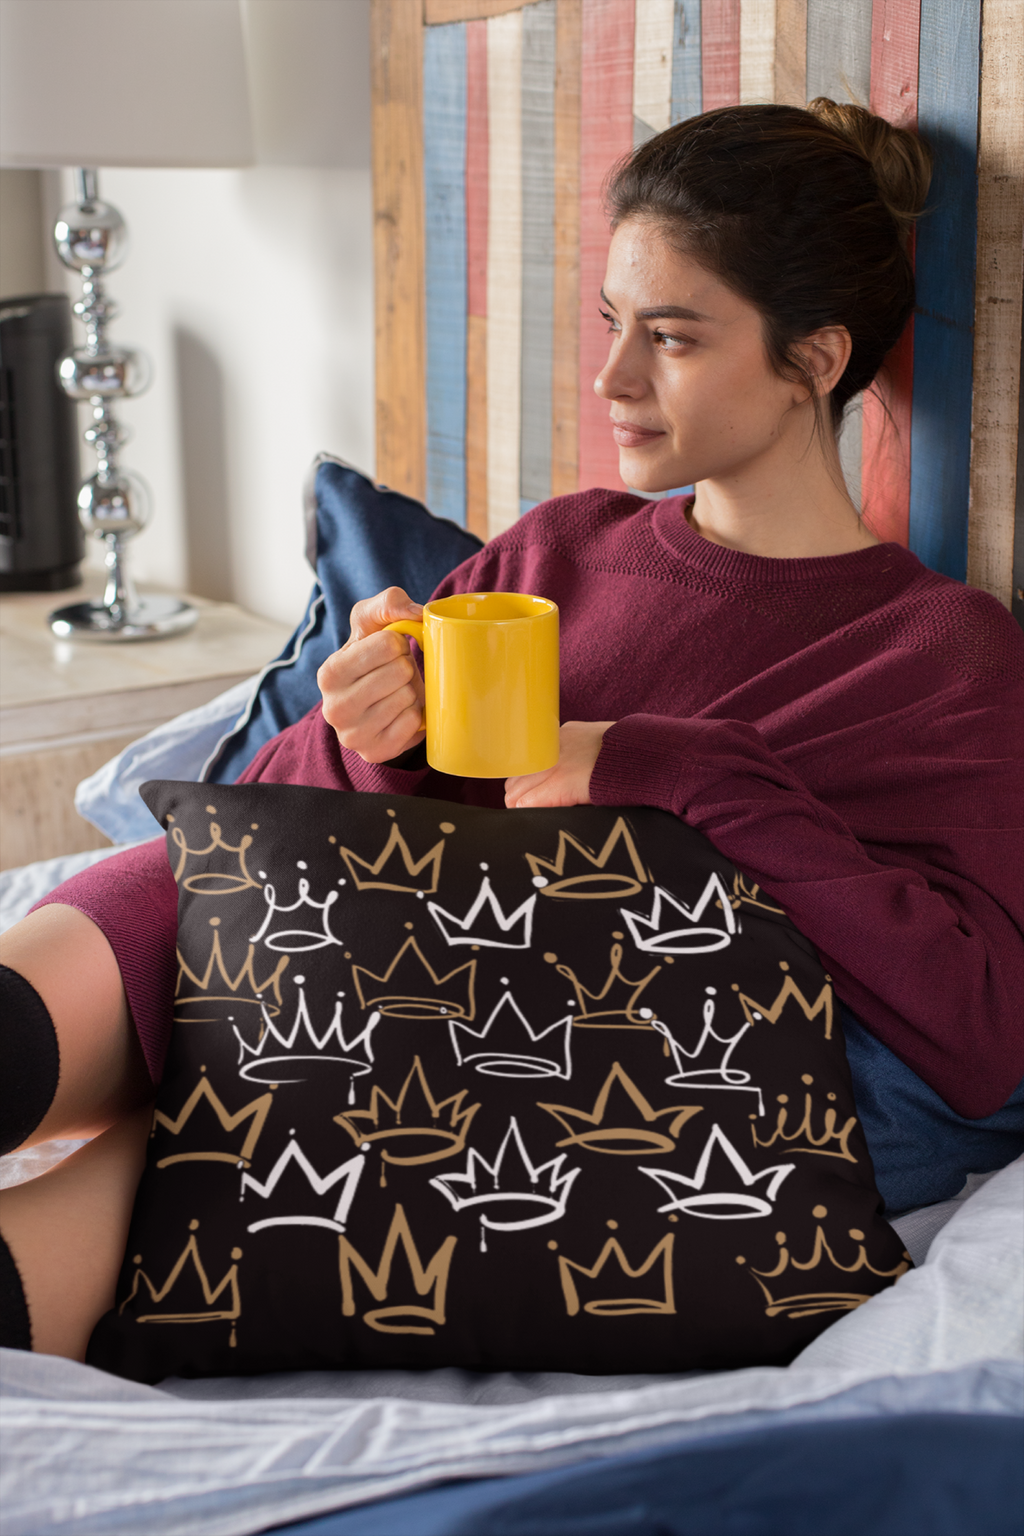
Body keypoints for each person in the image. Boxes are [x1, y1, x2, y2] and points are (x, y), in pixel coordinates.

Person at [2, 101, 1022, 1363]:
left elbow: (977, 1038)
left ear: (812, 359)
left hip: (475, 1041)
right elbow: (253, 846)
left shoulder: (935, 650)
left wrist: (674, 767)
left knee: (151, 1179)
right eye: (610, 324)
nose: (612, 380)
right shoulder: (561, 545)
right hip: (311, 948)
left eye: (672, 338)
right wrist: (369, 728)